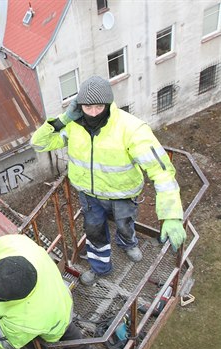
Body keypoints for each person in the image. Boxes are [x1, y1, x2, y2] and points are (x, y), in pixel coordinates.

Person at [30, 76, 186, 286]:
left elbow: (162, 171)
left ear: (108, 104)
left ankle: (128, 243)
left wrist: (171, 215)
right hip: (89, 195)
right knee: (94, 231)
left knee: (125, 225)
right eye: (87, 107)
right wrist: (62, 120)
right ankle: (100, 267)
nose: (93, 112)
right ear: (79, 105)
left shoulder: (131, 129)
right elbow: (40, 144)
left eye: (98, 106)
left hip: (122, 194)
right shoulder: (74, 125)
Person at [0, 234, 93, 349]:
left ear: (13, 299)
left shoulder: (23, 323)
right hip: (61, 300)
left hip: (54, 322)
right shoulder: (18, 246)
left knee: (41, 348)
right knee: (76, 340)